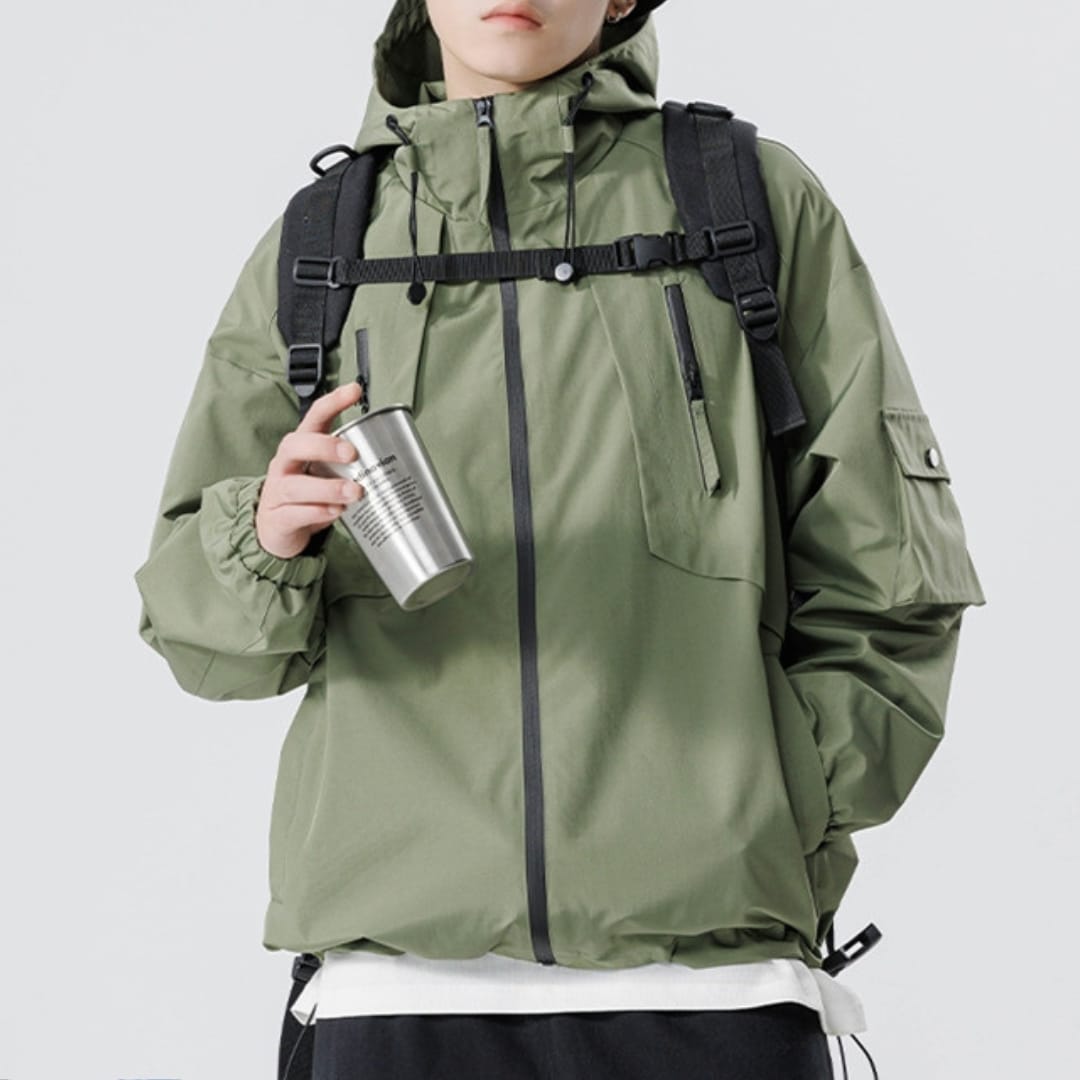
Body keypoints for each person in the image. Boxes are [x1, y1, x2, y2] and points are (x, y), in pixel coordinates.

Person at [134, 1, 986, 1077]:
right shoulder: (324, 245)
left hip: (712, 990)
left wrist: (781, 803)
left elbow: (894, 568)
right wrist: (263, 540)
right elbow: (198, 636)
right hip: (394, 992)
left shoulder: (745, 200)